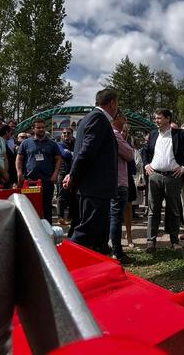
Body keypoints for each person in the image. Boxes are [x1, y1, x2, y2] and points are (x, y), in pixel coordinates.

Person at [63, 88, 118, 253]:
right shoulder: (98, 118)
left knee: (98, 233)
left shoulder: (91, 118)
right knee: (86, 232)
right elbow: (86, 152)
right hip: (94, 187)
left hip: (93, 187)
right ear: (113, 103)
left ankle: (100, 263)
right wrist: (72, 175)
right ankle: (66, 263)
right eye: (117, 104)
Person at [143, 109, 184, 252]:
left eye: (159, 118)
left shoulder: (179, 134)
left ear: (168, 119)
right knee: (153, 210)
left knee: (173, 209)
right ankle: (151, 242)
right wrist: (146, 164)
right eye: (155, 118)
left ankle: (174, 241)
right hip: (154, 176)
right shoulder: (154, 134)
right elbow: (145, 151)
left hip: (173, 177)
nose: (156, 120)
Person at [17, 118, 62, 224]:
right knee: (31, 207)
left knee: (47, 208)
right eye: (38, 127)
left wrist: (55, 174)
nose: (41, 129)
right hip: (30, 181)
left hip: (47, 181)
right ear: (33, 129)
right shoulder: (26, 143)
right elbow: (19, 158)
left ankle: (48, 232)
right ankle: (32, 231)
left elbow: (58, 159)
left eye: (43, 127)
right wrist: (19, 173)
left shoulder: (52, 144)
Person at [109, 109, 134, 264]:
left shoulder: (108, 133)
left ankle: (111, 248)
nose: (125, 120)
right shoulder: (115, 135)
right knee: (116, 217)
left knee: (112, 216)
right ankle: (117, 252)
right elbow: (130, 154)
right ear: (116, 118)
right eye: (123, 117)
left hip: (113, 181)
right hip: (119, 181)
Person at [57, 127, 75, 225]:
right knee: (62, 195)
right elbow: (65, 155)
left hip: (74, 173)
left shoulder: (75, 144)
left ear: (72, 134)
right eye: (64, 133)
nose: (66, 135)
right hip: (63, 172)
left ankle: (71, 217)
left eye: (68, 133)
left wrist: (71, 153)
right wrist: (73, 153)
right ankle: (60, 217)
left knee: (73, 195)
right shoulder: (59, 144)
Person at [0, 124, 18, 188]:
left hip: (8, 177)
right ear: (7, 132)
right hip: (4, 178)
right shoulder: (1, 144)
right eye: (10, 132)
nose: (11, 134)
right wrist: (4, 175)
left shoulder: (4, 143)